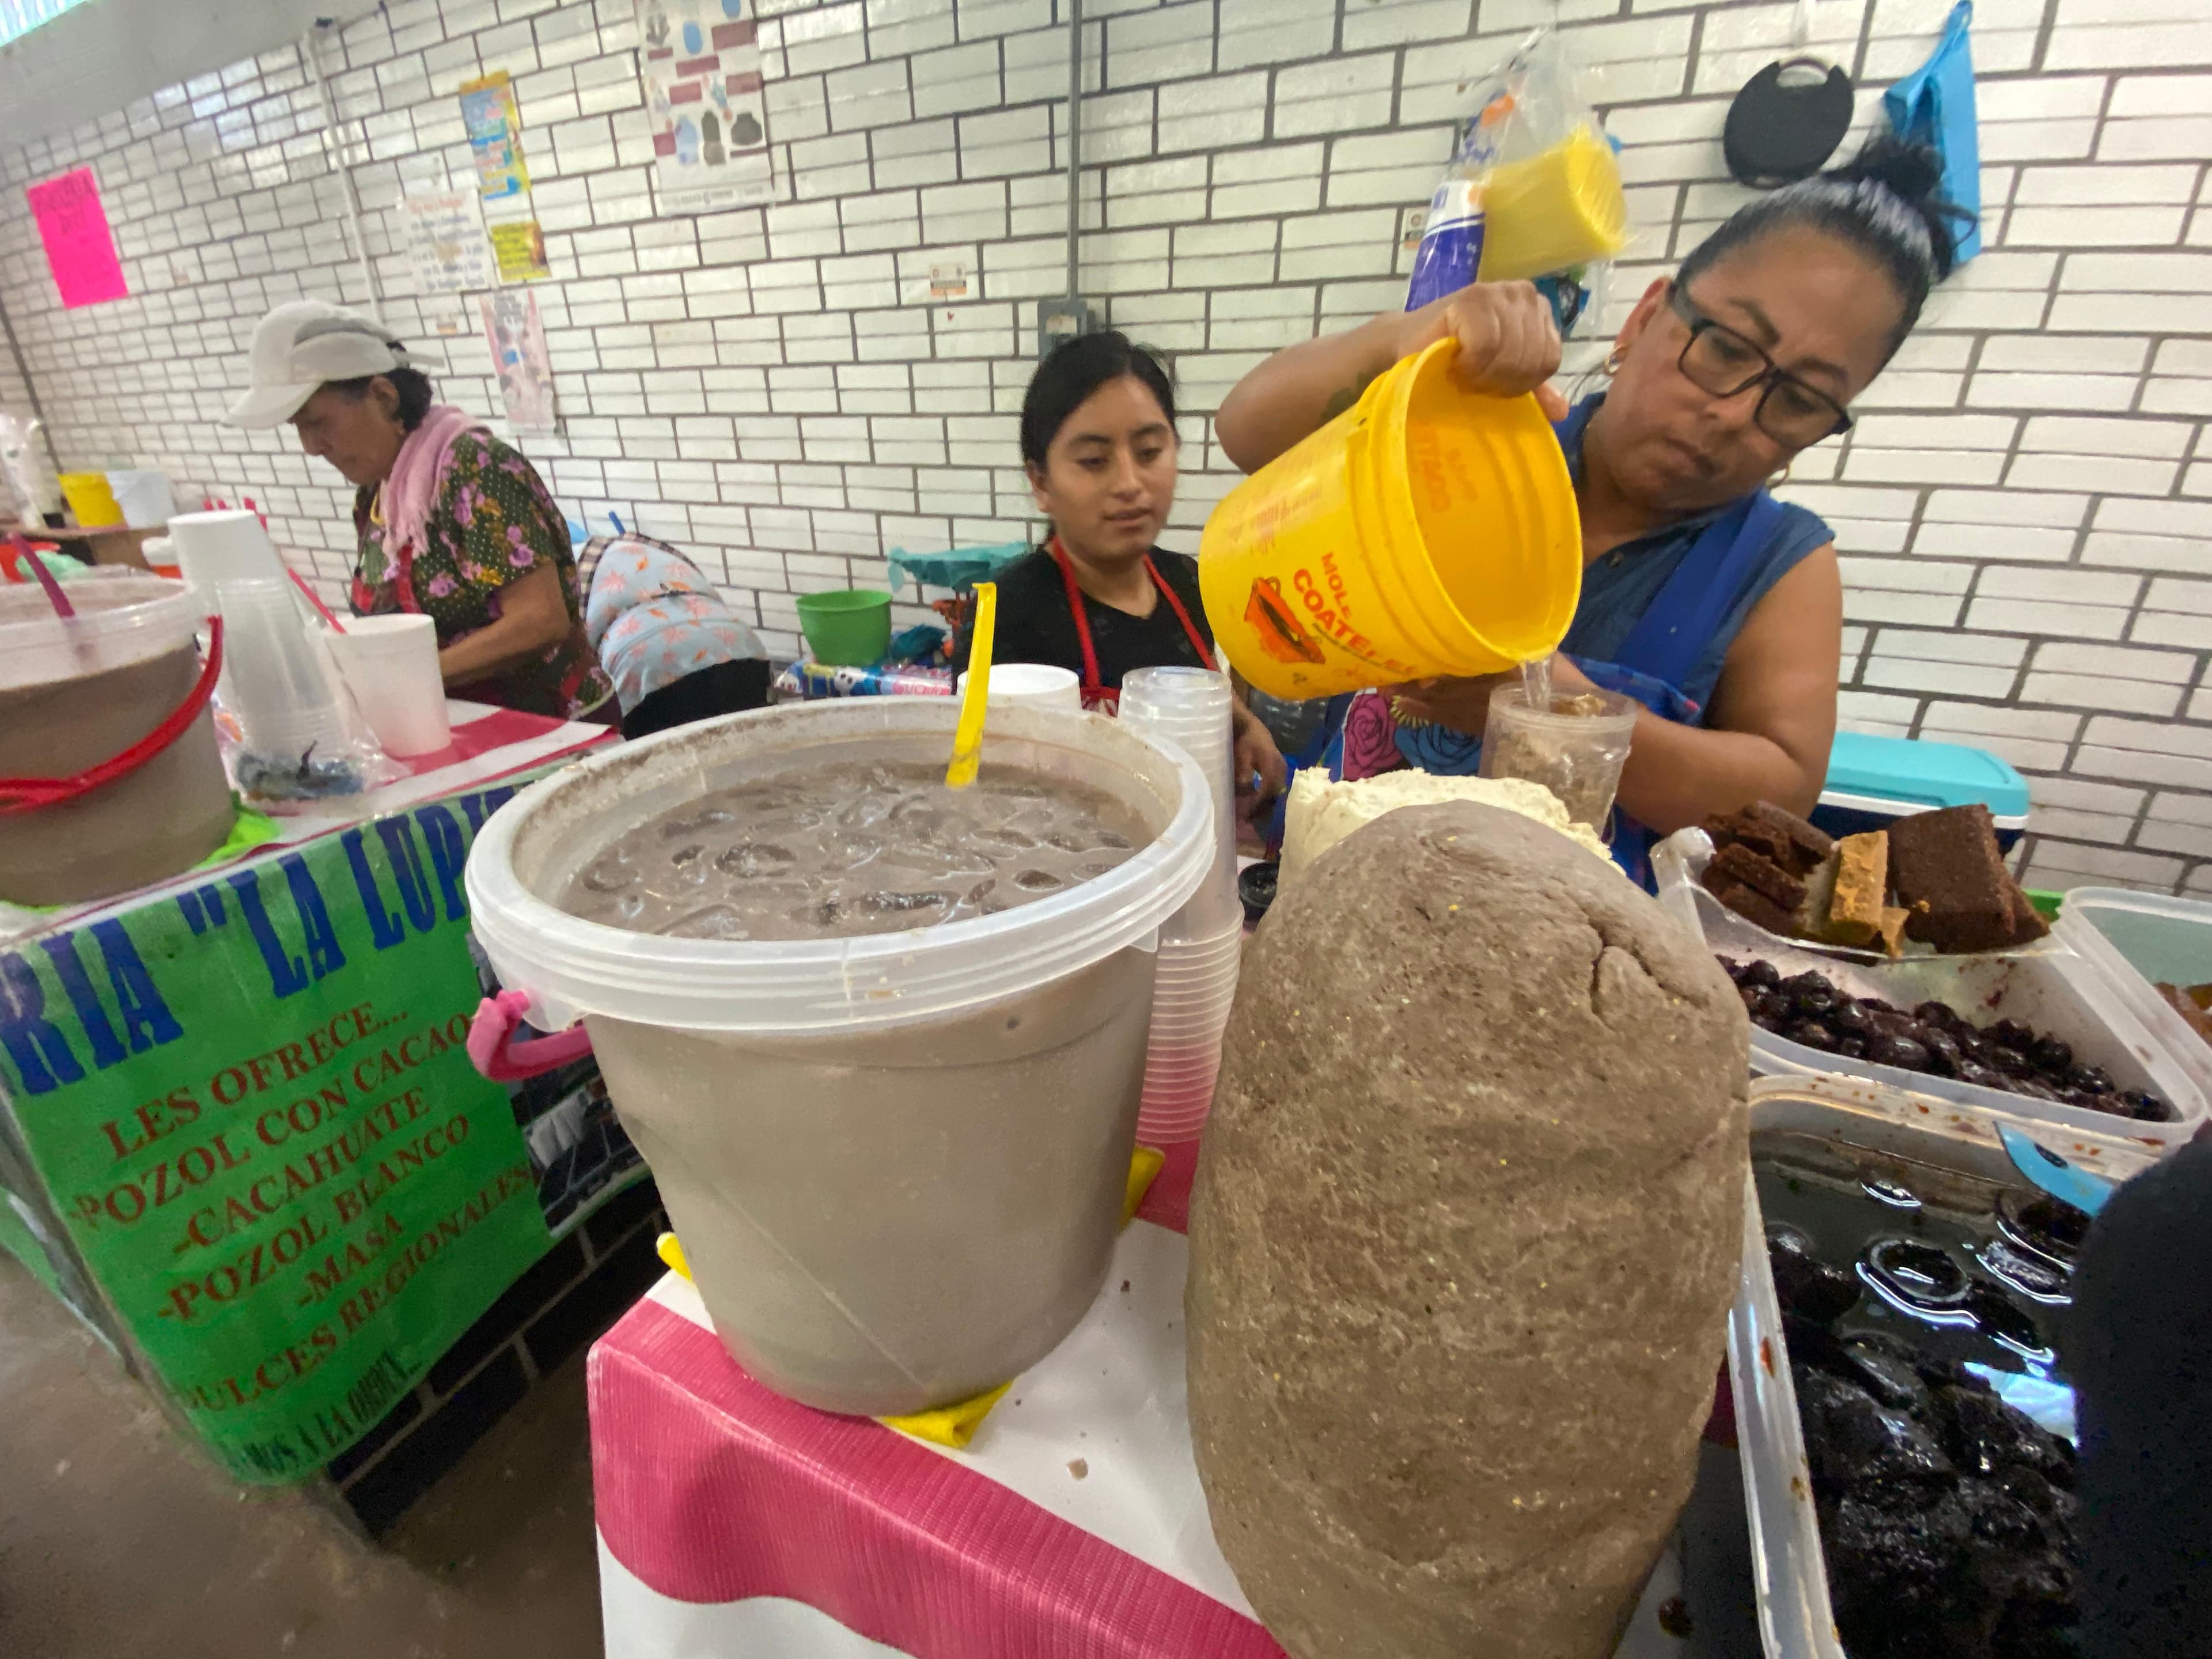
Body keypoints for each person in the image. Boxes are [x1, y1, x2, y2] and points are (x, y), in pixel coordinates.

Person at [1214, 138, 1963, 877]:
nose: (1734, 415)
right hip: (1346, 888)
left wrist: (1551, 712)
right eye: (1727, 349)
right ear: (1645, 318)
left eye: (1799, 400)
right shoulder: (1479, 431)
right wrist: (1402, 340)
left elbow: (1780, 796)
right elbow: (1250, 430)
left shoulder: (1779, 561)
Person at [225, 300, 613, 722]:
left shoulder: (475, 470)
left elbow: (540, 620)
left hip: (551, 724)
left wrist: (408, 678)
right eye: (297, 429)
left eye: (317, 422)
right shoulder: (379, 494)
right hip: (458, 721)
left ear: (383, 396)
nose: (311, 447)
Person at [953, 331, 1285, 813]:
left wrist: (1240, 725)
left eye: (1149, 452)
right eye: (1094, 461)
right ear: (1040, 483)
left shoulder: (1189, 582)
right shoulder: (1005, 613)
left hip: (1184, 858)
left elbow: (1184, 688)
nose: (1130, 483)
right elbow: (974, 792)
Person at [577, 529, 771, 740]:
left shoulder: (573, 572)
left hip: (643, 662)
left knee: (668, 762)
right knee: (752, 744)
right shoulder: (642, 551)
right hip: (734, 640)